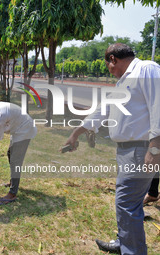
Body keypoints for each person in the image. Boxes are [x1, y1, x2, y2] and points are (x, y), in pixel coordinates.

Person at [63, 43, 160, 255]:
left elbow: (158, 106)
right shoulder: (123, 83)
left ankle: (132, 250)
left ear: (113, 59)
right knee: (127, 202)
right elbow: (101, 112)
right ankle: (123, 241)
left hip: (140, 149)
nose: (110, 70)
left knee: (126, 203)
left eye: (108, 66)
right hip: (127, 150)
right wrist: (75, 134)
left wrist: (155, 147)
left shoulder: (146, 69)